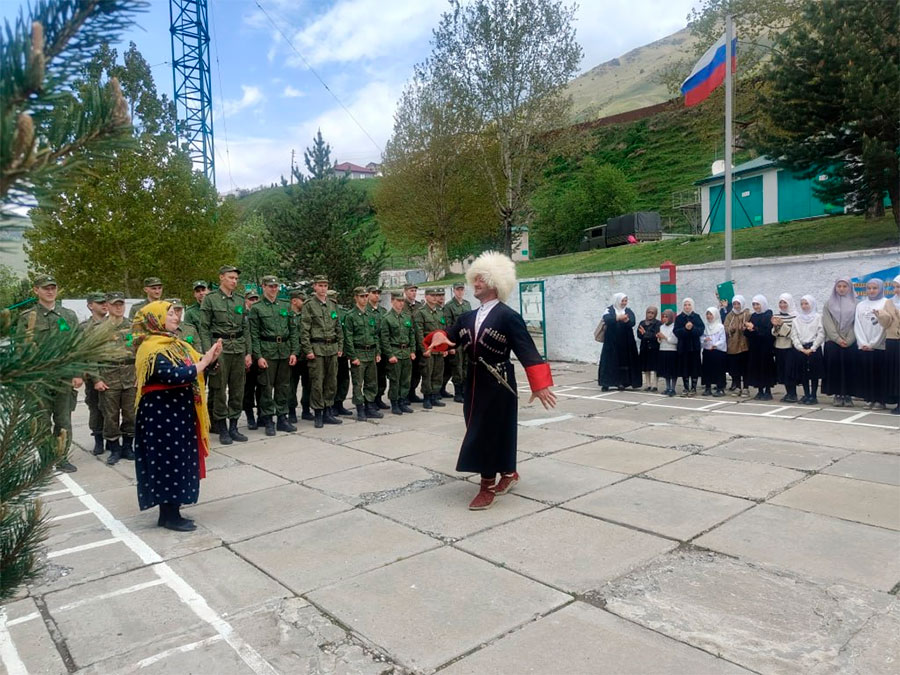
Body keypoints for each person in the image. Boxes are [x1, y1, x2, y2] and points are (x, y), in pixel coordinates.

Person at [429, 251, 556, 511]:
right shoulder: (466, 317)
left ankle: (487, 485)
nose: (475, 284)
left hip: (499, 382)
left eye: (481, 280)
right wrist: (439, 338)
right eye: (474, 279)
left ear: (496, 283)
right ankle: (508, 472)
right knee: (478, 429)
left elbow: (527, 350)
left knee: (492, 431)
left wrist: (539, 384)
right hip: (473, 382)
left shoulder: (508, 316)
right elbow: (448, 335)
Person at [132, 301, 222, 532]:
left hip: (178, 413)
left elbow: (194, 366)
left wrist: (209, 360)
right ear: (155, 318)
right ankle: (169, 515)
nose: (175, 317)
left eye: (175, 313)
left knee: (179, 460)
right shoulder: (150, 347)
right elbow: (172, 375)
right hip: (161, 415)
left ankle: (171, 511)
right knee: (167, 461)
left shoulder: (176, 344)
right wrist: (203, 363)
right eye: (170, 314)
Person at [17, 274, 82, 473]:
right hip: (39, 379)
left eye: (53, 287)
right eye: (45, 288)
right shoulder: (28, 318)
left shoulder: (68, 316)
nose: (50, 291)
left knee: (63, 421)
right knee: (42, 421)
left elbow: (78, 345)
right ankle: (45, 459)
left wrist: (78, 372)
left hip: (63, 377)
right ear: (36, 290)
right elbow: (20, 348)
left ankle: (61, 458)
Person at [199, 265, 251, 445]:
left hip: (238, 347)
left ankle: (234, 426)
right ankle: (222, 428)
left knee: (238, 388)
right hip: (220, 348)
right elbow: (204, 328)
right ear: (221, 278)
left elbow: (245, 328)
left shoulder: (239, 300)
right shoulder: (211, 299)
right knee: (219, 389)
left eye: (236, 278)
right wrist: (210, 354)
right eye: (231, 278)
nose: (234, 281)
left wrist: (248, 352)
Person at [249, 276, 299, 435]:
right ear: (263, 286)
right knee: (265, 387)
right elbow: (254, 334)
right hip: (267, 351)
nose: (273, 289)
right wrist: (258, 356)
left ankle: (282, 417)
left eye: (276, 286)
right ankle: (268, 419)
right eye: (270, 286)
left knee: (284, 387)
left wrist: (294, 352)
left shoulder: (285, 306)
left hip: (284, 351)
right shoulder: (257, 308)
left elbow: (293, 331)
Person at [95, 291, 137, 465]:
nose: (119, 307)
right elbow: (90, 357)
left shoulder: (134, 326)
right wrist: (96, 379)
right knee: (110, 416)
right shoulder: (99, 328)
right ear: (108, 306)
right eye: (115, 304)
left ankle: (128, 446)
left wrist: (140, 375)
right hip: (108, 376)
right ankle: (114, 448)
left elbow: (142, 352)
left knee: (131, 415)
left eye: (121, 304)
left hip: (130, 375)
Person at [300, 275, 344, 427]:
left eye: (325, 285)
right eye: (320, 285)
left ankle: (328, 411)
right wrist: (308, 350)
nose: (323, 288)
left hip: (331, 348)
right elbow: (304, 329)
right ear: (314, 287)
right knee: (317, 382)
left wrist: (340, 347)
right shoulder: (309, 305)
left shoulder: (332, 304)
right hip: (317, 348)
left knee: (331, 381)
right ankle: (318, 412)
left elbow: (338, 327)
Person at [344, 286, 384, 421]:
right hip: (359, 352)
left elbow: (376, 335)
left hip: (371, 352)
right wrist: (353, 356)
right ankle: (360, 409)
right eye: (362, 296)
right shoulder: (350, 316)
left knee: (371, 382)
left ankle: (370, 406)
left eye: (366, 296)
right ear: (356, 297)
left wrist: (377, 351)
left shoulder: (371, 314)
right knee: (358, 383)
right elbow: (348, 338)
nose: (365, 299)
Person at [821, 277, 858, 407]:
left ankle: (848, 395)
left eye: (844, 286)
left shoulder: (856, 303)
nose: (841, 289)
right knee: (834, 369)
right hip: (833, 342)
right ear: (835, 288)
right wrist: (837, 339)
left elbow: (856, 324)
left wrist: (848, 340)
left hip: (850, 342)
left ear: (849, 288)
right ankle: (837, 394)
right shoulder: (828, 304)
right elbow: (827, 323)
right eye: (839, 286)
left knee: (849, 369)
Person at [80, 291, 108, 455]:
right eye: (99, 303)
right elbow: (83, 354)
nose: (104, 305)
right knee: (96, 409)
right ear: (90, 305)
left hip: (114, 373)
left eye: (105, 302)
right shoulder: (84, 328)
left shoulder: (114, 324)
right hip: (93, 375)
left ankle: (113, 440)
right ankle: (98, 440)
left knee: (112, 410)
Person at [381, 290, 416, 415]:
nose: (401, 304)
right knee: (395, 380)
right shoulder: (387, 318)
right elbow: (384, 339)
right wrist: (390, 355)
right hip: (395, 352)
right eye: (398, 301)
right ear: (392, 301)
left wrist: (412, 350)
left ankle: (402, 401)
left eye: (402, 301)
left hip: (406, 352)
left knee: (406, 379)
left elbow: (411, 334)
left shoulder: (406, 317)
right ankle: (394, 403)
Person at [854, 279, 887, 410]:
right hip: (864, 345)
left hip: (879, 345)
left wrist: (873, 343)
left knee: (879, 373)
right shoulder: (861, 305)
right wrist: (863, 342)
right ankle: (869, 398)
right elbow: (857, 324)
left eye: (875, 288)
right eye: (869, 288)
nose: (871, 291)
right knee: (866, 373)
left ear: (880, 289)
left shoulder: (885, 303)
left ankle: (880, 400)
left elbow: (884, 326)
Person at [597, 293, 641, 391]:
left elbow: (632, 322)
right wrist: (618, 318)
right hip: (611, 341)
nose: (624, 303)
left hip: (625, 341)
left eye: (626, 300)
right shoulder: (609, 310)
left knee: (623, 361)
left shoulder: (628, 311)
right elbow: (607, 319)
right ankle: (606, 382)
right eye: (622, 300)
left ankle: (621, 382)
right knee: (609, 361)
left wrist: (626, 321)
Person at [415, 287, 449, 409]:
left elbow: (444, 331)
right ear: (426, 297)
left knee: (438, 373)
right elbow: (419, 333)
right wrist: (424, 350)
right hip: (428, 348)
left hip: (439, 349)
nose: (435, 298)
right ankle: (427, 398)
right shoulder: (421, 312)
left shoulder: (440, 312)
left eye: (436, 295)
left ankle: (435, 395)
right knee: (427, 373)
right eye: (432, 295)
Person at [791, 295, 825, 405]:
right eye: (802, 304)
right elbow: (794, 335)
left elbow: (821, 333)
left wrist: (813, 347)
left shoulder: (818, 317)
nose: (804, 306)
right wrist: (800, 348)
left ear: (812, 304)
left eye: (806, 303)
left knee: (814, 373)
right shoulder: (796, 319)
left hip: (813, 348)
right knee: (803, 373)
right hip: (801, 349)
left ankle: (813, 395)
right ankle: (806, 394)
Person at [874, 275, 900, 414]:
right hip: (892, 341)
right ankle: (897, 401)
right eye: (895, 286)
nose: (896, 289)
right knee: (894, 372)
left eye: (898, 286)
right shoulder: (889, 303)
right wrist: (881, 316)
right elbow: (886, 324)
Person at [443, 281, 472, 402]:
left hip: (466, 340)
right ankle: (458, 392)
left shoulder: (467, 304)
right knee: (457, 367)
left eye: (462, 289)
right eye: (458, 290)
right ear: (454, 291)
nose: (460, 292)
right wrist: (451, 345)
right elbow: (448, 326)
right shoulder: (449, 306)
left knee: (466, 365)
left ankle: (465, 390)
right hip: (456, 341)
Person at [287, 289, 313, 423]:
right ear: (294, 301)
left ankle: (306, 409)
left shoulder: (305, 316)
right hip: (292, 356)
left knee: (307, 384)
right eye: (303, 300)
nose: (305, 303)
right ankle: (291, 411)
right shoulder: (287, 315)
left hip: (306, 355)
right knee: (291, 385)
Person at [744, 295, 776, 400]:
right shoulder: (753, 316)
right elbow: (748, 333)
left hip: (765, 348)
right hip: (755, 347)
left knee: (765, 369)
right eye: (754, 304)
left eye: (757, 304)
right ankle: (760, 390)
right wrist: (748, 329)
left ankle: (768, 391)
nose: (755, 307)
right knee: (756, 368)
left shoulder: (768, 315)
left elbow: (767, 333)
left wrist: (754, 328)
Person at [329, 289, 354, 417]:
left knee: (344, 379)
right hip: (330, 352)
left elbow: (347, 333)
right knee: (331, 380)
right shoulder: (327, 313)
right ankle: (331, 404)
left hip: (343, 352)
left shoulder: (343, 313)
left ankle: (339, 402)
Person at [772, 293, 799, 402]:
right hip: (779, 346)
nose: (782, 305)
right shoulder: (777, 315)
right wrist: (776, 326)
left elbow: (793, 333)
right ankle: (788, 393)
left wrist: (782, 324)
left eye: (785, 303)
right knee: (782, 371)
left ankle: (793, 394)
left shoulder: (795, 316)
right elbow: (774, 333)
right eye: (780, 302)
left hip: (790, 347)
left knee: (790, 371)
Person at [367, 285, 390, 410]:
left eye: (378, 293)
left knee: (382, 376)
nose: (376, 295)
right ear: (368, 294)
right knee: (372, 377)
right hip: (372, 349)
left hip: (383, 347)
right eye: (374, 293)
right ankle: (371, 400)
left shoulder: (383, 311)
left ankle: (379, 397)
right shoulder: (366, 311)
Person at [673, 297, 703, 396]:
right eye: (685, 305)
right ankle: (686, 388)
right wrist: (685, 329)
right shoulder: (679, 318)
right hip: (683, 347)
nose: (687, 307)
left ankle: (693, 388)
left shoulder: (697, 317)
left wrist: (693, 328)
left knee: (694, 367)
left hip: (694, 347)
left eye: (689, 305)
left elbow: (701, 330)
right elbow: (676, 331)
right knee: (684, 367)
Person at [241, 288, 262, 429]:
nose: (254, 302)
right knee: (247, 389)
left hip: (260, 355)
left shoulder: (260, 313)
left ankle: (262, 415)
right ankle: (249, 416)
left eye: (256, 299)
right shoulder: (243, 315)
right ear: (245, 301)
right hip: (247, 356)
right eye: (251, 299)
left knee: (262, 387)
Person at [723, 294, 750, 396]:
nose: (736, 306)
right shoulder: (730, 315)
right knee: (735, 368)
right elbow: (725, 327)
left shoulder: (747, 314)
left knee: (745, 368)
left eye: (738, 303)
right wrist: (731, 328)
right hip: (733, 345)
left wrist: (746, 328)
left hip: (744, 345)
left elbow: (751, 326)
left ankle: (746, 387)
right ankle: (737, 387)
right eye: (734, 304)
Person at [404, 283, 425, 403]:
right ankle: (405, 394)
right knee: (407, 371)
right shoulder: (403, 305)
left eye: (415, 291)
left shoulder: (419, 306)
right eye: (411, 291)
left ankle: (412, 392)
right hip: (407, 343)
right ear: (405, 291)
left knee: (417, 370)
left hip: (418, 343)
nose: (413, 293)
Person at [701, 306, 727, 396]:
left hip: (717, 351)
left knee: (719, 370)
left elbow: (722, 339)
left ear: (715, 315)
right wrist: (704, 340)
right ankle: (708, 388)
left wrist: (715, 345)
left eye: (710, 314)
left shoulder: (720, 327)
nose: (708, 316)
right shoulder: (705, 326)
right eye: (707, 314)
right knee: (707, 370)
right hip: (707, 351)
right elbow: (701, 338)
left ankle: (720, 388)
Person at [656, 309, 679, 396]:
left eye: (666, 317)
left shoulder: (674, 327)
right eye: (663, 317)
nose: (664, 319)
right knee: (666, 371)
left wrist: (664, 337)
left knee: (672, 371)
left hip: (672, 351)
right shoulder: (662, 327)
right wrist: (659, 338)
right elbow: (660, 341)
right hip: (663, 350)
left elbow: (675, 340)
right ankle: (667, 387)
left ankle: (673, 388)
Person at [637, 306, 661, 391]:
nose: (650, 315)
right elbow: (639, 335)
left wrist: (645, 334)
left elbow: (656, 335)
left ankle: (655, 385)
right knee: (646, 367)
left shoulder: (658, 323)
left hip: (654, 348)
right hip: (644, 347)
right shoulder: (642, 323)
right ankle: (647, 384)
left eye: (652, 313)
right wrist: (646, 335)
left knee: (655, 367)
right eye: (648, 312)